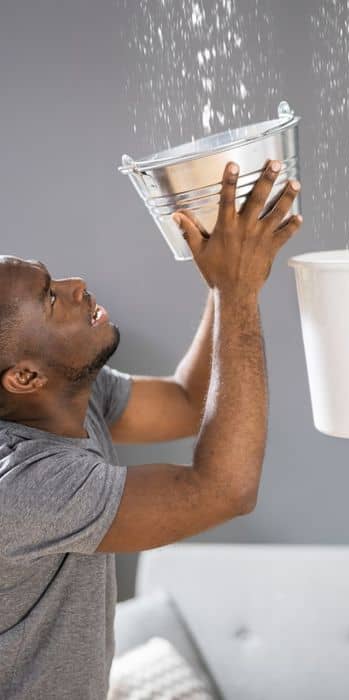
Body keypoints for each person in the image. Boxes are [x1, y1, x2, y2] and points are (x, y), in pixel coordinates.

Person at [0, 160, 302, 699]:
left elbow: (187, 401)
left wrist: (221, 282)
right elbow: (225, 490)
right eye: (50, 297)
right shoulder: (25, 486)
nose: (76, 286)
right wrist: (240, 293)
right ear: (24, 376)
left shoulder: (67, 395)